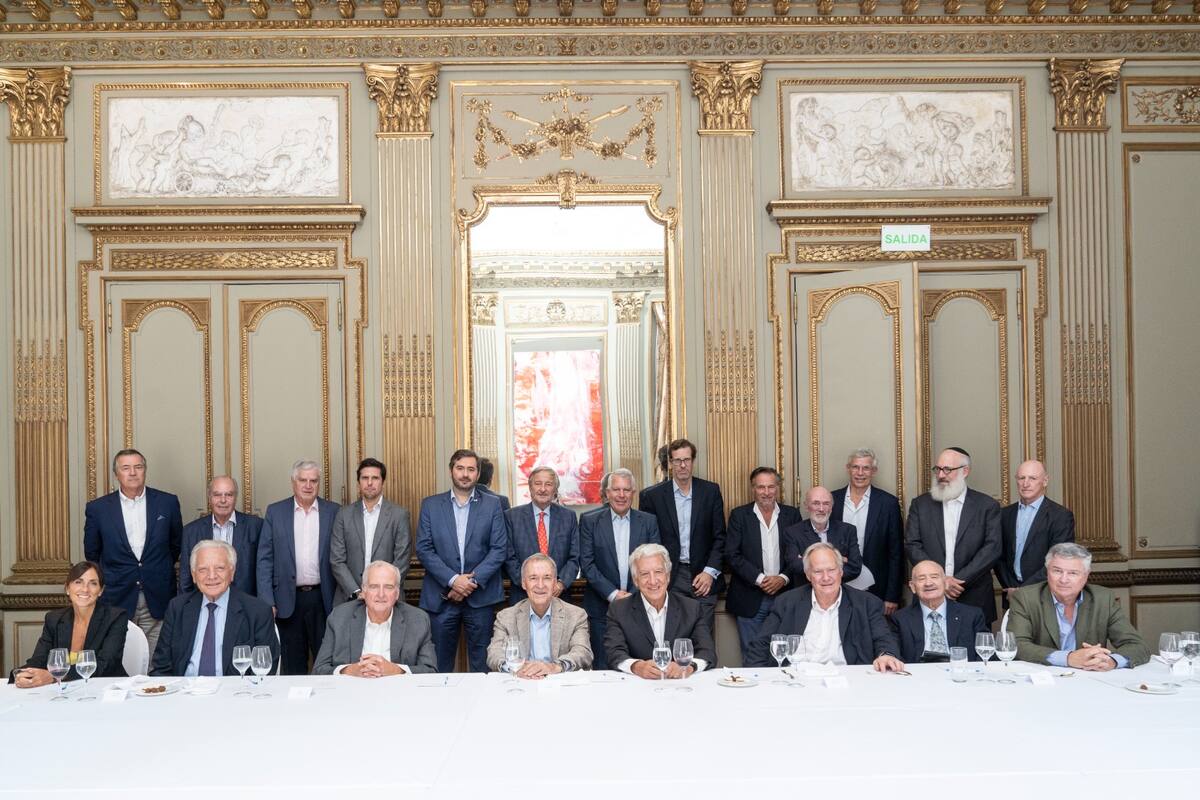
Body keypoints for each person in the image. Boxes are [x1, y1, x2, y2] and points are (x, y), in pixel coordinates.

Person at [415, 449, 508, 673]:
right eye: (460, 468)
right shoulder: (431, 505)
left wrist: (469, 583)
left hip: (481, 599)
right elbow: (424, 549)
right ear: (451, 471)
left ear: (477, 474)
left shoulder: (492, 504)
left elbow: (498, 548)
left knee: (482, 665)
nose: (465, 474)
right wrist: (454, 580)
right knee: (439, 666)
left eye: (470, 469)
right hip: (441, 598)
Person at [83, 448, 182, 656]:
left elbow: (176, 545)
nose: (132, 473)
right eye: (126, 468)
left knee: (157, 663)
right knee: (118, 661)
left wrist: (154, 568)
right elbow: (92, 553)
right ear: (116, 473)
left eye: (138, 467)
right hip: (116, 597)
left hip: (158, 596)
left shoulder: (167, 502)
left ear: (145, 471)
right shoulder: (98, 509)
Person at [745, 542, 904, 672]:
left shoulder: (867, 603)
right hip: (796, 681)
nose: (826, 578)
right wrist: (758, 681)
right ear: (808, 575)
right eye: (818, 571)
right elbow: (761, 645)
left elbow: (884, 639)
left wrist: (886, 655)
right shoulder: (787, 602)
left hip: (846, 681)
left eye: (831, 570)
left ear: (841, 571)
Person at [256, 459, 340, 675]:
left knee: (327, 663)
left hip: (324, 598)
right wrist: (268, 600)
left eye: (314, 480)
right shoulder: (276, 512)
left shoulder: (334, 512)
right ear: (293, 482)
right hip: (287, 600)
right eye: (303, 480)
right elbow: (265, 559)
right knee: (293, 666)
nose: (308, 485)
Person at [1008, 543, 1149, 669]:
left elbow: (1137, 645)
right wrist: (1068, 658)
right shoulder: (1026, 597)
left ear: (1086, 575)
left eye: (1073, 573)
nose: (1063, 579)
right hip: (1042, 679)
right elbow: (1016, 645)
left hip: (1089, 679)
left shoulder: (1103, 599)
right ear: (1047, 572)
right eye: (1057, 571)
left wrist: (1111, 661)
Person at [904, 447, 1002, 625]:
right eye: (938, 469)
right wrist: (938, 579)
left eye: (948, 469)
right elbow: (912, 544)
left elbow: (992, 548)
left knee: (975, 651)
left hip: (974, 595)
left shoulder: (987, 505)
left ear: (965, 471)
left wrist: (956, 581)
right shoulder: (921, 504)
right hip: (929, 594)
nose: (941, 475)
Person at [151, 540, 278, 676]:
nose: (211, 576)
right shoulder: (177, 608)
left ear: (232, 572)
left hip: (234, 693)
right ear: (194, 575)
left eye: (220, 568)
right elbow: (161, 667)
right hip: (186, 692)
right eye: (202, 569)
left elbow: (264, 668)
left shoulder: (257, 611)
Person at [637, 438, 726, 629]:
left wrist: (709, 573)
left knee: (703, 638)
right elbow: (647, 543)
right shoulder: (652, 496)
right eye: (677, 460)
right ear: (670, 463)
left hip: (703, 577)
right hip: (669, 576)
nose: (682, 465)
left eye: (687, 459)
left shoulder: (710, 491)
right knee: (672, 634)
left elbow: (720, 537)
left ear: (693, 461)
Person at [579, 468, 660, 670]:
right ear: (607, 493)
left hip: (641, 606)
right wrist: (614, 594)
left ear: (633, 492)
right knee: (603, 666)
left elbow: (655, 562)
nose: (621, 495)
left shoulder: (649, 522)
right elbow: (587, 564)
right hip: (601, 608)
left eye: (626, 490)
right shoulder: (590, 521)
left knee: (640, 667)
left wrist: (632, 595)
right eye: (616, 490)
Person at [603, 543, 716, 678]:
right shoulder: (619, 610)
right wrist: (637, 666)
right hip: (637, 687)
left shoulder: (691, 608)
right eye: (644, 574)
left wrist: (689, 667)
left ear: (668, 576)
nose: (652, 581)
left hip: (679, 687)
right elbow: (613, 653)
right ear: (635, 580)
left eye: (658, 572)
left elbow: (707, 653)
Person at [724, 467, 802, 662]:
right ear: (753, 489)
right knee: (752, 656)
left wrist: (783, 578)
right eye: (761, 487)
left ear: (777, 488)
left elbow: (800, 555)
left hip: (785, 596)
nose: (766, 492)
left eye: (770, 487)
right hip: (749, 598)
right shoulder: (739, 515)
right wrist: (761, 579)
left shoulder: (792, 515)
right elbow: (732, 555)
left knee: (785, 657)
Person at [10, 562, 128, 687]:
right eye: (78, 582)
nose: (85, 589)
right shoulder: (54, 619)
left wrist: (54, 676)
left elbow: (105, 665)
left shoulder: (115, 617)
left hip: (106, 690)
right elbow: (39, 660)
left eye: (93, 583)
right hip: (66, 692)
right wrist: (20, 675)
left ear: (100, 590)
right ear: (67, 588)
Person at [313, 561, 437, 676]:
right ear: (364, 591)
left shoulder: (418, 620)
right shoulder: (340, 617)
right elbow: (319, 670)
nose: (381, 594)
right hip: (351, 693)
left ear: (397, 593)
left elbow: (430, 670)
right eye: (374, 586)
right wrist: (350, 670)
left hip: (398, 694)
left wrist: (396, 670)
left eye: (388, 587)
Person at [486, 554, 592, 676]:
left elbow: (583, 652)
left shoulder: (576, 615)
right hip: (522, 682)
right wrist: (516, 669)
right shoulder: (506, 617)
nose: (540, 585)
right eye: (533, 578)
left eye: (547, 578)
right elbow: (494, 653)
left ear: (554, 583)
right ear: (524, 583)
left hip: (559, 683)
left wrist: (554, 667)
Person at [329, 458, 412, 606]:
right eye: (365, 478)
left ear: (383, 481)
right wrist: (356, 592)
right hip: (349, 598)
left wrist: (380, 592)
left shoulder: (399, 515)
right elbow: (337, 560)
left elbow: (402, 561)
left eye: (375, 478)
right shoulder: (343, 514)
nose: (369, 483)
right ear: (358, 482)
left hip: (387, 599)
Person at [831, 448, 904, 615]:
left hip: (876, 587)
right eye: (856, 467)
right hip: (836, 583)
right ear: (848, 468)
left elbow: (896, 553)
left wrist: (892, 596)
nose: (860, 473)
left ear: (874, 471)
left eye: (866, 468)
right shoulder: (832, 500)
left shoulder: (888, 503)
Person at [996, 460, 1075, 605]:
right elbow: (998, 556)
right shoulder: (1004, 514)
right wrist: (1012, 589)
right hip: (1011, 595)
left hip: (1045, 596)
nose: (1026, 484)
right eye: (1021, 478)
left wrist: (1022, 591)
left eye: (1032, 478)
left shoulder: (1061, 516)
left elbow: (1057, 560)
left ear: (1045, 481)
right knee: (1012, 629)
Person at [504, 466, 579, 604]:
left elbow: (574, 557)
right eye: (538, 483)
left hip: (559, 596)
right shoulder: (512, 517)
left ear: (555, 489)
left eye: (548, 484)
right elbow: (508, 556)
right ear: (530, 487)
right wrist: (528, 583)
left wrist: (560, 584)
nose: (543, 489)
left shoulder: (569, 517)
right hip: (523, 595)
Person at [180, 476, 263, 597]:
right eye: (217, 495)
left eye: (229, 495)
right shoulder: (191, 531)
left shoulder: (257, 526)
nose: (223, 500)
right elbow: (185, 577)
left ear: (235, 497)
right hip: (205, 604)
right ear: (209, 498)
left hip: (246, 604)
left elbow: (264, 570)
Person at [893, 560, 988, 663]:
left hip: (961, 674)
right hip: (918, 676)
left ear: (946, 583)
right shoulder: (899, 619)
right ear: (913, 586)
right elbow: (894, 656)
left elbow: (985, 654)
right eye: (921, 578)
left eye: (934, 577)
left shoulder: (972, 616)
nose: (928, 583)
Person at [782, 486, 862, 587]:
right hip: (806, 595)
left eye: (826, 503)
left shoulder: (847, 531)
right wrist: (838, 560)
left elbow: (855, 567)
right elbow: (795, 565)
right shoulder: (793, 532)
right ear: (806, 506)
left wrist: (807, 560)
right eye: (816, 503)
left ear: (831, 507)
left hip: (839, 592)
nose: (821, 509)